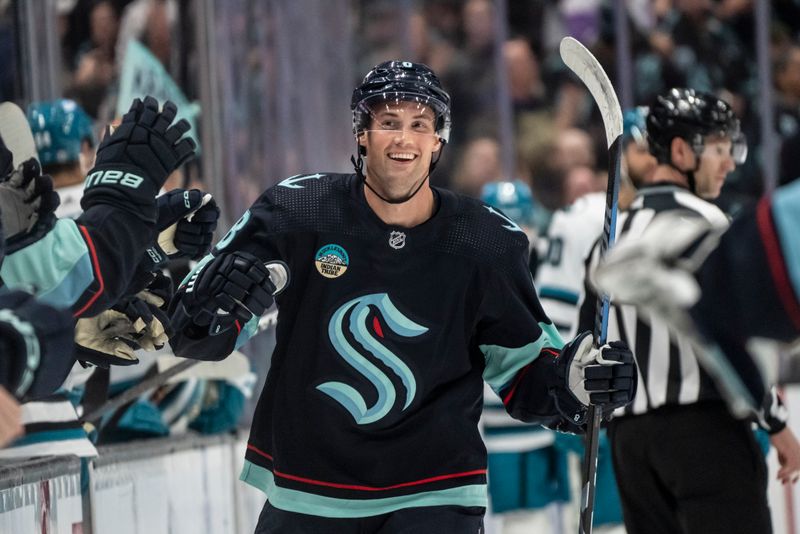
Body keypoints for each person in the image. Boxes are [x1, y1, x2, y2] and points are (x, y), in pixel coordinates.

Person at [167, 60, 637, 533]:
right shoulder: (296, 211)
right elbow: (196, 332)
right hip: (310, 489)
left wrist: (575, 382)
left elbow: (526, 373)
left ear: (438, 141)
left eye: (420, 125)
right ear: (362, 133)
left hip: (435, 493)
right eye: (388, 122)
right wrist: (209, 311)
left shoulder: (485, 242)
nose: (404, 140)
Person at [578, 88, 795, 534]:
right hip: (706, 435)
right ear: (680, 150)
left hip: (631, 448)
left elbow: (585, 346)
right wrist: (775, 423)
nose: (731, 162)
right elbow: (735, 346)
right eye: (720, 148)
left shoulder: (609, 238)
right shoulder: (709, 225)